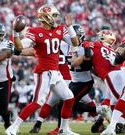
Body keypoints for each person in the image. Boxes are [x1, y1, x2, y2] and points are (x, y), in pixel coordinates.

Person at [6, 4, 79, 135]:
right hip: (43, 72)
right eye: (54, 16)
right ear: (47, 17)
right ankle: (13, 127)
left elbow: (75, 42)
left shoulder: (60, 30)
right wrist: (15, 32)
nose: (57, 19)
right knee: (37, 102)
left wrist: (69, 27)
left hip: (55, 72)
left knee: (69, 98)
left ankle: (64, 129)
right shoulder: (34, 31)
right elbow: (20, 46)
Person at [29, 24, 108, 135]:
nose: (73, 39)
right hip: (73, 80)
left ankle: (99, 114)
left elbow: (85, 62)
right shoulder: (64, 45)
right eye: (72, 36)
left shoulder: (84, 47)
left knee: (68, 102)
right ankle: (98, 120)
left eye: (75, 36)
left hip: (82, 81)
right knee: (73, 101)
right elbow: (51, 44)